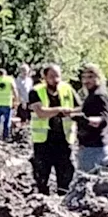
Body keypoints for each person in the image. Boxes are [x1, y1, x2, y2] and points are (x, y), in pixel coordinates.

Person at [29, 64, 76, 195]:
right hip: (43, 139)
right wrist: (60, 110)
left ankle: (63, 195)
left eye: (58, 76)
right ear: (44, 77)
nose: (55, 79)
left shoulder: (67, 89)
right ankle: (42, 197)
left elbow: (78, 108)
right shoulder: (36, 91)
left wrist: (70, 112)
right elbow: (41, 113)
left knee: (65, 171)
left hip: (63, 138)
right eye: (51, 76)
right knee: (41, 172)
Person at [73, 63, 108, 173]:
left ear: (98, 78)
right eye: (84, 77)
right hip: (89, 147)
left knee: (88, 184)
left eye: (90, 77)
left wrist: (86, 120)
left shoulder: (99, 96)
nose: (86, 81)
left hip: (95, 149)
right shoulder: (91, 95)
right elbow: (87, 110)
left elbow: (104, 119)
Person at [0, 68, 17, 141]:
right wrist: (16, 101)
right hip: (7, 103)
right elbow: (14, 90)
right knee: (7, 122)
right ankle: (5, 137)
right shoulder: (9, 79)